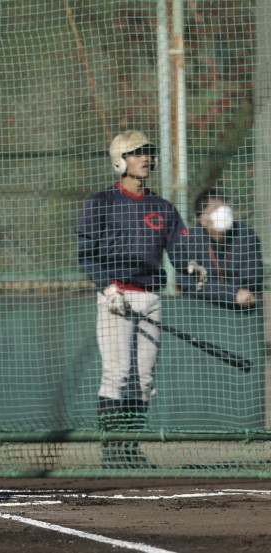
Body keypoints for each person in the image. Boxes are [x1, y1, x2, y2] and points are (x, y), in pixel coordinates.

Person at [76, 130, 192, 469]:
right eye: (137, 153)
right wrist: (106, 287)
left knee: (144, 378)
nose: (146, 158)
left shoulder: (163, 207)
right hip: (116, 296)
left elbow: (181, 252)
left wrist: (191, 265)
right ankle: (112, 450)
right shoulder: (101, 202)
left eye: (149, 152)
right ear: (120, 160)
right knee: (117, 373)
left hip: (151, 297)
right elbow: (87, 253)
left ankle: (130, 448)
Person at [177, 188, 263, 309]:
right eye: (215, 209)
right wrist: (231, 293)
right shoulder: (190, 241)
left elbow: (252, 278)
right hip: (200, 310)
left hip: (242, 309)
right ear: (202, 219)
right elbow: (189, 284)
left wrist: (218, 289)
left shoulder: (246, 236)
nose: (224, 212)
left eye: (225, 207)